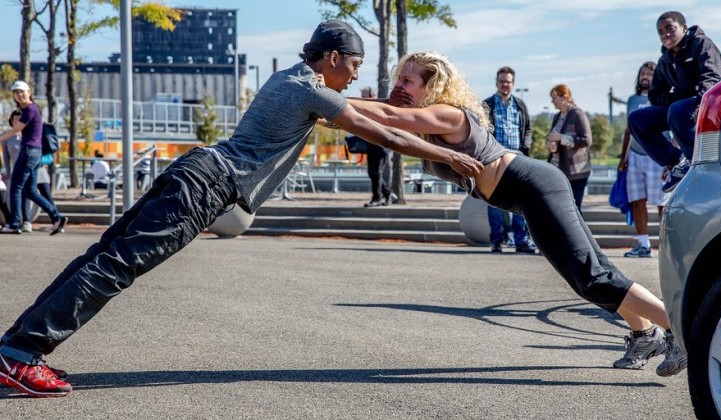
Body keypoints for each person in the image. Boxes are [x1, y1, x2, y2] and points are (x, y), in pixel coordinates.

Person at [0, 21, 483, 398]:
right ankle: (23, 352)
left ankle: (15, 349)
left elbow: (375, 112)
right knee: (113, 267)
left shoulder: (292, 80)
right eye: (354, 64)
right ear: (333, 58)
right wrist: (449, 154)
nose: (356, 74)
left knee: (102, 258)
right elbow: (385, 133)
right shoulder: (309, 89)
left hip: (197, 171)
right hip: (208, 184)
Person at [350, 51, 687, 377]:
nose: (399, 87)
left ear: (432, 85)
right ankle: (645, 335)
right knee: (595, 272)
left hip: (534, 187)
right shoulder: (425, 121)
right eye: (398, 79)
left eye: (407, 81)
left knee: (591, 277)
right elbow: (378, 119)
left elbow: (391, 120)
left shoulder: (448, 115)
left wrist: (324, 99)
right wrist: (327, 112)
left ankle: (684, 333)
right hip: (530, 192)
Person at [627, 11, 721, 192]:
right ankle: (677, 162)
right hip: (681, 108)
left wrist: (698, 104)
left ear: (684, 28)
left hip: (710, 102)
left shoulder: (701, 44)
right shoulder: (665, 60)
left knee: (678, 110)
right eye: (660, 31)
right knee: (637, 119)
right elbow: (656, 94)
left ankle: (696, 162)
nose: (665, 34)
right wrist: (677, 99)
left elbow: (712, 77)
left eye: (670, 28)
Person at [0, 81, 68, 235]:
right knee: (30, 191)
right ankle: (57, 217)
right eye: (16, 93)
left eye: (22, 92)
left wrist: (1, 137)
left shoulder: (30, 109)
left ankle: (14, 223)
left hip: (29, 151)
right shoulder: (31, 109)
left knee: (16, 188)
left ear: (29, 92)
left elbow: (15, 130)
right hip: (35, 153)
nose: (19, 95)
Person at [482, 67, 535, 254]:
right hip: (494, 160)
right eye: (502, 81)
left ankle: (521, 240)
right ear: (497, 82)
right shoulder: (487, 105)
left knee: (520, 204)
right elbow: (481, 132)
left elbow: (528, 129)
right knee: (494, 203)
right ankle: (497, 240)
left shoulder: (520, 105)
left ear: (513, 84)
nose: (505, 84)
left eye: (508, 81)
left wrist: (525, 148)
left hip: (517, 160)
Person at [619, 62, 667, 258]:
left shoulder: (662, 99)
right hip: (636, 157)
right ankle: (643, 244)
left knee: (662, 203)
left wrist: (668, 161)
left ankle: (667, 245)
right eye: (642, 73)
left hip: (656, 157)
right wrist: (623, 156)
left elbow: (670, 129)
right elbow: (628, 129)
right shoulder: (632, 100)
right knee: (638, 201)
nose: (645, 76)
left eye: (649, 73)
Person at [546, 84, 592, 211]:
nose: (552, 102)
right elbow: (552, 138)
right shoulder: (557, 117)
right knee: (561, 210)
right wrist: (551, 146)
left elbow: (587, 140)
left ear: (565, 97)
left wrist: (562, 138)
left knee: (574, 209)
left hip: (576, 172)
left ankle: (580, 232)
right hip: (558, 171)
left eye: (554, 98)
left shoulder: (578, 114)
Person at [356, 86, 397, 207]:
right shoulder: (365, 109)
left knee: (376, 172)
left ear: (372, 95)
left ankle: (377, 198)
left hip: (380, 145)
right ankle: (389, 194)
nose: (362, 99)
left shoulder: (376, 108)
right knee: (372, 173)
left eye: (364, 96)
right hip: (372, 144)